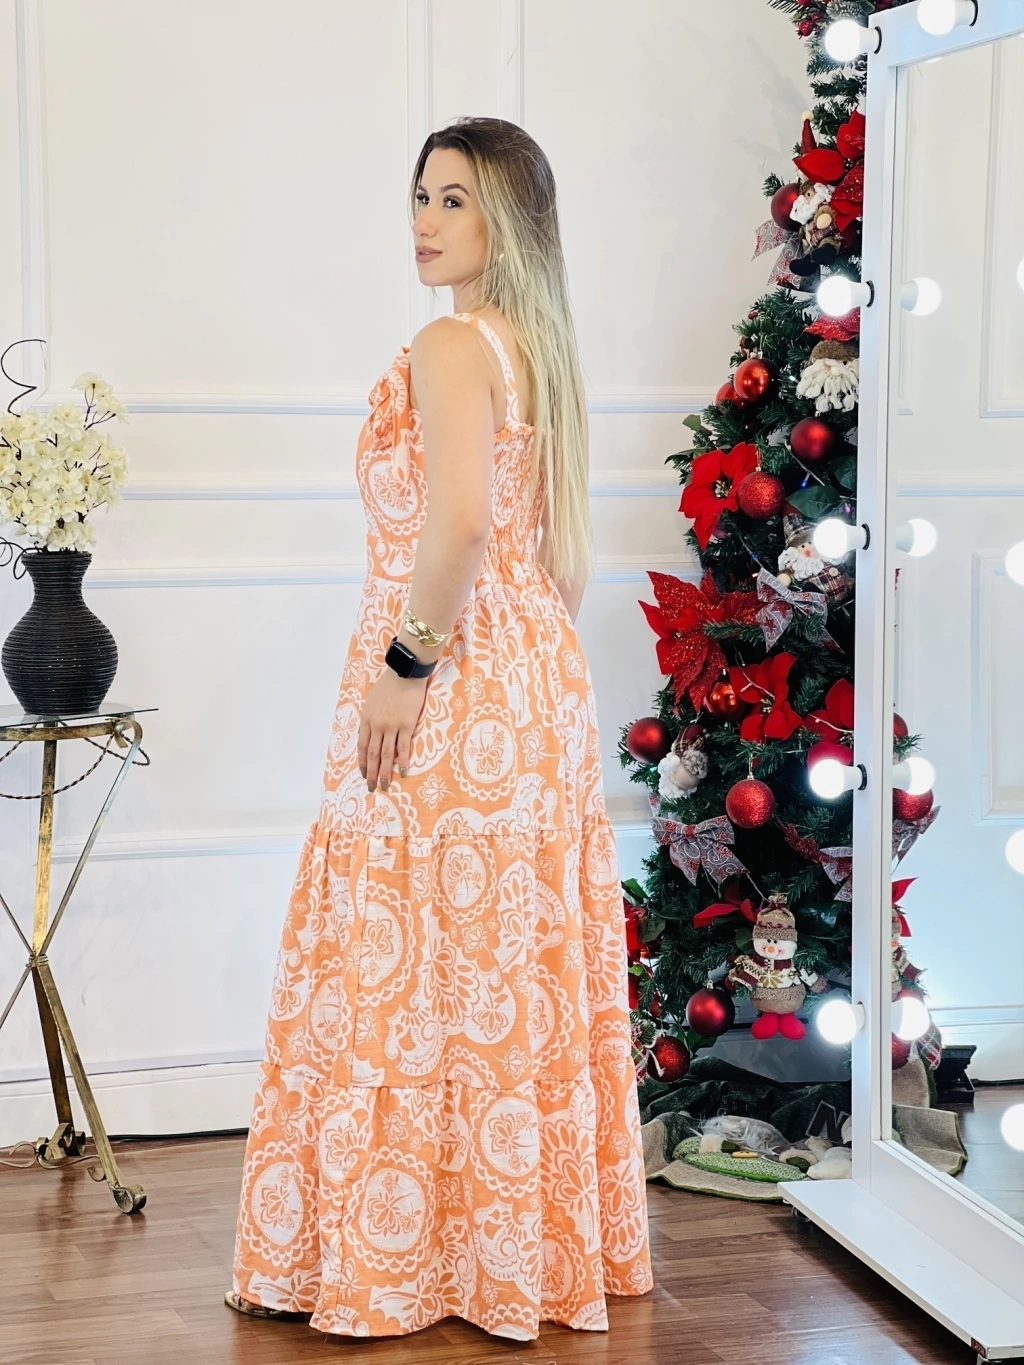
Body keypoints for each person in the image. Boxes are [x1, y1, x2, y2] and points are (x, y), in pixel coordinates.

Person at [225, 115, 654, 1342]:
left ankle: (404, 1259)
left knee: (409, 952)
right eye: (419, 194)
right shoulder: (538, 351)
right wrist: (521, 678)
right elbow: (555, 558)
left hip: (451, 671)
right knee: (502, 958)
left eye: (453, 199)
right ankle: (506, 1256)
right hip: (532, 678)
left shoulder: (454, 344)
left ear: (504, 221)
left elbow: (458, 523)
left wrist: (406, 667)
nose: (422, 220)